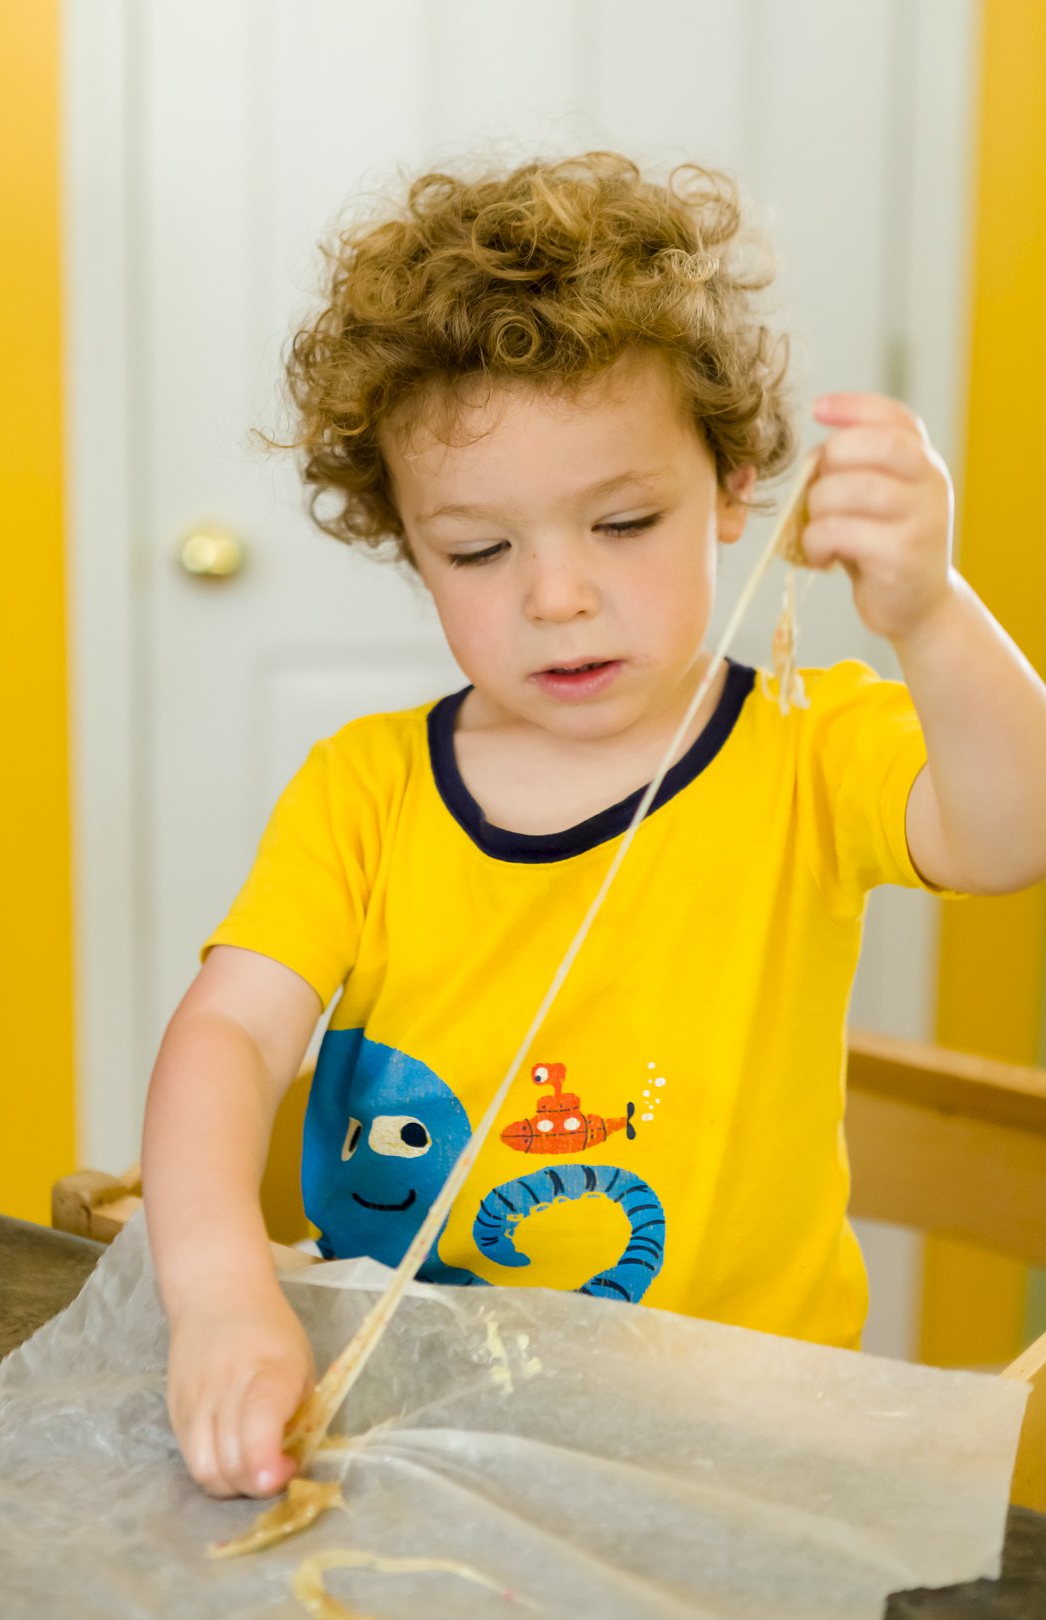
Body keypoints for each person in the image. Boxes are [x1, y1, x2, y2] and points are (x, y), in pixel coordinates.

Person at [140, 151, 1046, 1501]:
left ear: (735, 488)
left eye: (623, 522)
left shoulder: (808, 744)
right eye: (479, 551)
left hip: (735, 1452)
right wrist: (217, 1293)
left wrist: (930, 609)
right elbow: (227, 1032)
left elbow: (1014, 831)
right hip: (407, 1426)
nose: (558, 596)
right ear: (405, 541)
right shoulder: (365, 790)